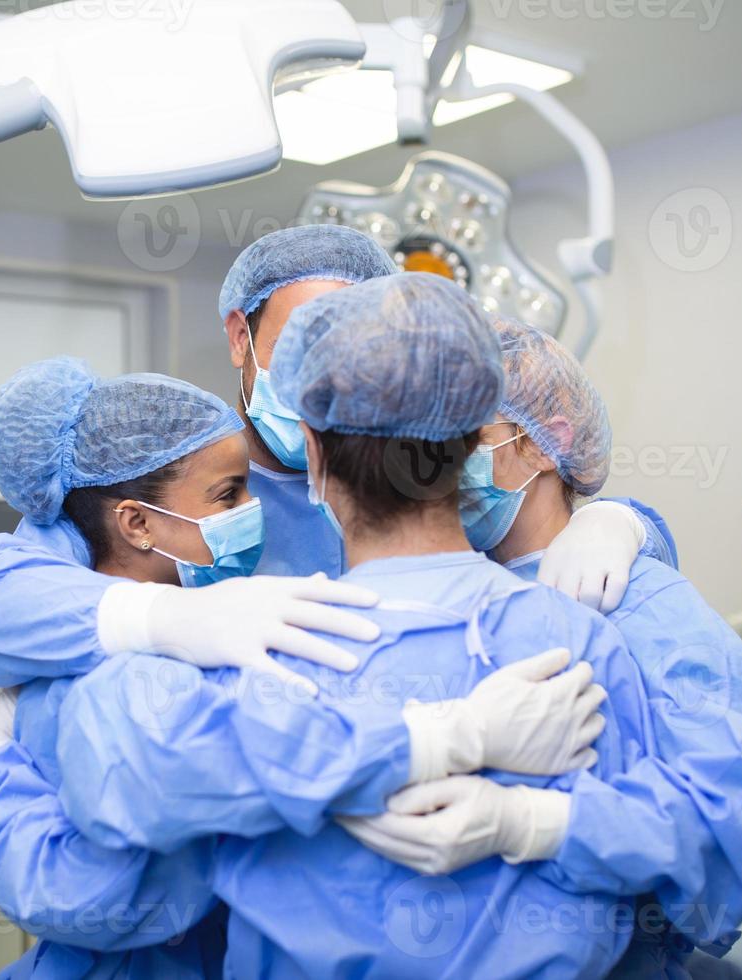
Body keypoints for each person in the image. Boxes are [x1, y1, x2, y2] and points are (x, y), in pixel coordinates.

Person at [49, 273, 663, 977]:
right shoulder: (582, 637)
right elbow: (693, 850)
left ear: (311, 458)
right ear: (471, 447)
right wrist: (528, 819)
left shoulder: (255, 652)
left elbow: (111, 792)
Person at [0, 225, 672, 696]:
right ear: (240, 337)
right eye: (303, 345)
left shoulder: (420, 475)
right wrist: (167, 618)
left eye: (355, 345)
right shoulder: (165, 477)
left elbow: (557, 571)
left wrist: (618, 521)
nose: (331, 374)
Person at [339, 317, 742, 976]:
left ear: (546, 444)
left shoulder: (639, 603)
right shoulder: (437, 584)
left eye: (470, 430)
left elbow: (733, 826)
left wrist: (542, 824)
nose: (441, 453)